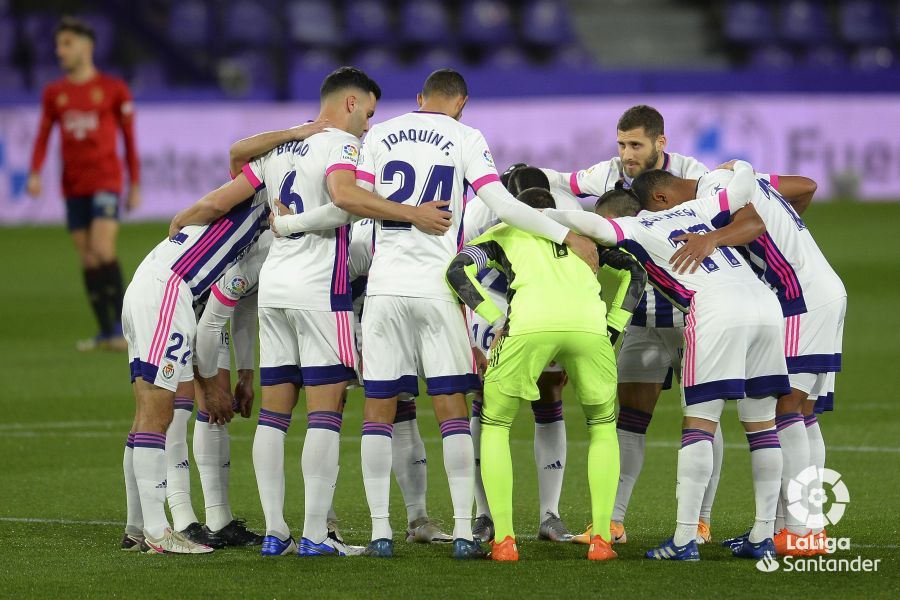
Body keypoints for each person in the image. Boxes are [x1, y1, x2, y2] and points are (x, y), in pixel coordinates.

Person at [335, 68, 596, 559]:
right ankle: (460, 531)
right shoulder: (466, 136)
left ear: (419, 98)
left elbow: (355, 202)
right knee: (452, 408)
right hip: (437, 289)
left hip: (384, 291)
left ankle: (379, 533)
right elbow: (503, 204)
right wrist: (566, 234)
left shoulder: (382, 133)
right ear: (461, 103)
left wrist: (400, 213)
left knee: (378, 411)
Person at [232, 67, 453, 557]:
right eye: (369, 113)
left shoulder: (280, 148)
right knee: (327, 415)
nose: (369, 126)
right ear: (351, 103)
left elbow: (233, 166)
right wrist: (413, 213)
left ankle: (275, 532)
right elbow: (346, 200)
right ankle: (314, 534)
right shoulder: (343, 146)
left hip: (273, 290)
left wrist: (189, 215)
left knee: (273, 417)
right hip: (318, 292)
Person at [543, 161, 789, 561]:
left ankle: (688, 534)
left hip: (708, 313)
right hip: (751, 307)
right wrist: (742, 165)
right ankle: (760, 534)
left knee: (700, 420)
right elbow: (744, 190)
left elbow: (571, 215)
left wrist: (528, 210)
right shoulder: (698, 206)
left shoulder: (640, 222)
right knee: (758, 424)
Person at [542, 105, 717, 545]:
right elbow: (562, 183)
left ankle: (701, 520)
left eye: (635, 144)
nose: (626, 154)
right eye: (621, 144)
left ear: (661, 143)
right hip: (640, 310)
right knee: (630, 420)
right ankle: (612, 522)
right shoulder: (607, 175)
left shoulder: (692, 178)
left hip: (691, 311)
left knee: (702, 418)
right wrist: (517, 176)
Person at [648, 165, 842, 556]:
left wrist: (712, 239)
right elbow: (806, 186)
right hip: (825, 289)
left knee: (784, 410)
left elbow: (751, 222)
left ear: (665, 198)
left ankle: (801, 532)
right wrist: (783, 235)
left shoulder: (717, 186)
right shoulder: (741, 179)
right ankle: (800, 527)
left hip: (797, 296)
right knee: (803, 412)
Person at [446, 186, 646, 562]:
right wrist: (613, 328)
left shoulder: (504, 231)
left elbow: (457, 271)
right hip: (589, 328)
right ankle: (601, 541)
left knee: (495, 424)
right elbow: (636, 271)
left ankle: (503, 541)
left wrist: (495, 318)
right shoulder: (585, 238)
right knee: (602, 425)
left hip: (530, 325)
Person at [463, 164, 586, 544]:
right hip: (495, 297)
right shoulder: (479, 210)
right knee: (485, 396)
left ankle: (550, 514)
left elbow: (583, 268)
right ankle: (484, 515)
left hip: (544, 299)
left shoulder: (570, 212)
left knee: (549, 390)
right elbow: (462, 267)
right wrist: (486, 322)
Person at [27, 16, 140, 351]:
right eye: (58, 45)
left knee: (104, 250)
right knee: (88, 259)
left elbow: (129, 140)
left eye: (67, 43)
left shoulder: (113, 89)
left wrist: (135, 184)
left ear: (86, 46)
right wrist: (34, 172)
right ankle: (105, 332)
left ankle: (124, 330)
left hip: (106, 181)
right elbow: (43, 135)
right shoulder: (55, 93)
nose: (60, 51)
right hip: (72, 185)